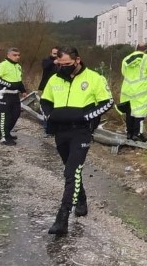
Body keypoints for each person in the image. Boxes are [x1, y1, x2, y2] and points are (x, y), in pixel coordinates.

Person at [40, 46, 114, 235]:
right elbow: (45, 101)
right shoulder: (54, 79)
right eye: (60, 64)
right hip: (60, 132)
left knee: (71, 173)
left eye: (67, 64)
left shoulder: (94, 78)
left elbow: (108, 102)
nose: (62, 67)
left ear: (77, 60)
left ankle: (62, 218)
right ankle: (81, 199)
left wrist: (86, 117)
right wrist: (49, 116)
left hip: (81, 132)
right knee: (70, 170)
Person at [117, 43, 147, 141]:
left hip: (127, 89)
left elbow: (123, 72)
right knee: (139, 113)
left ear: (136, 49)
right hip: (140, 91)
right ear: (145, 50)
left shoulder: (126, 59)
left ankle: (129, 133)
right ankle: (137, 134)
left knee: (129, 112)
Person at [0, 48, 28, 145]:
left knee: (16, 114)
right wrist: (9, 85)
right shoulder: (1, 65)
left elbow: (19, 81)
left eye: (18, 55)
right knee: (4, 116)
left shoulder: (18, 66)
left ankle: (7, 133)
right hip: (3, 94)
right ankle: (3, 137)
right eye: (14, 55)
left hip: (14, 95)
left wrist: (23, 90)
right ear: (8, 55)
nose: (17, 57)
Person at [37, 47, 61, 136]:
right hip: (47, 88)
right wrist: (53, 63)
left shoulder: (62, 63)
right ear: (51, 53)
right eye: (54, 54)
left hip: (59, 89)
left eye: (57, 54)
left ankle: (56, 128)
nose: (55, 56)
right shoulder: (47, 61)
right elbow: (45, 66)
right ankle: (47, 128)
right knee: (46, 108)